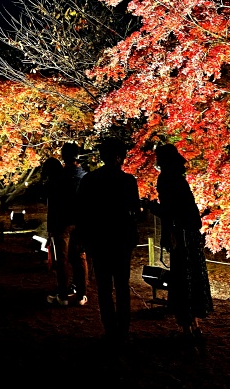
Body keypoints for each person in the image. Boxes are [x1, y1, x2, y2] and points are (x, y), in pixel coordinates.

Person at [147, 143, 213, 346]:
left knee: (183, 279)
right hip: (190, 233)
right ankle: (194, 325)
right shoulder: (179, 179)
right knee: (193, 277)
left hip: (180, 234)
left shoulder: (166, 179)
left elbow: (170, 211)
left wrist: (151, 207)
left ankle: (187, 326)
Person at [78, 138, 141, 345]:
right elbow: (135, 211)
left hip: (99, 237)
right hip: (122, 237)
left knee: (104, 286)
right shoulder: (128, 181)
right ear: (119, 157)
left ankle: (110, 328)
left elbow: (83, 211)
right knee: (122, 284)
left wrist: (84, 236)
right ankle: (123, 328)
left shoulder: (90, 180)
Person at [43, 142, 89, 306]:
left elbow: (52, 202)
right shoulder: (84, 176)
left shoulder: (58, 177)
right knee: (79, 258)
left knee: (61, 259)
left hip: (61, 222)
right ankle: (82, 294)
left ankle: (62, 295)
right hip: (80, 221)